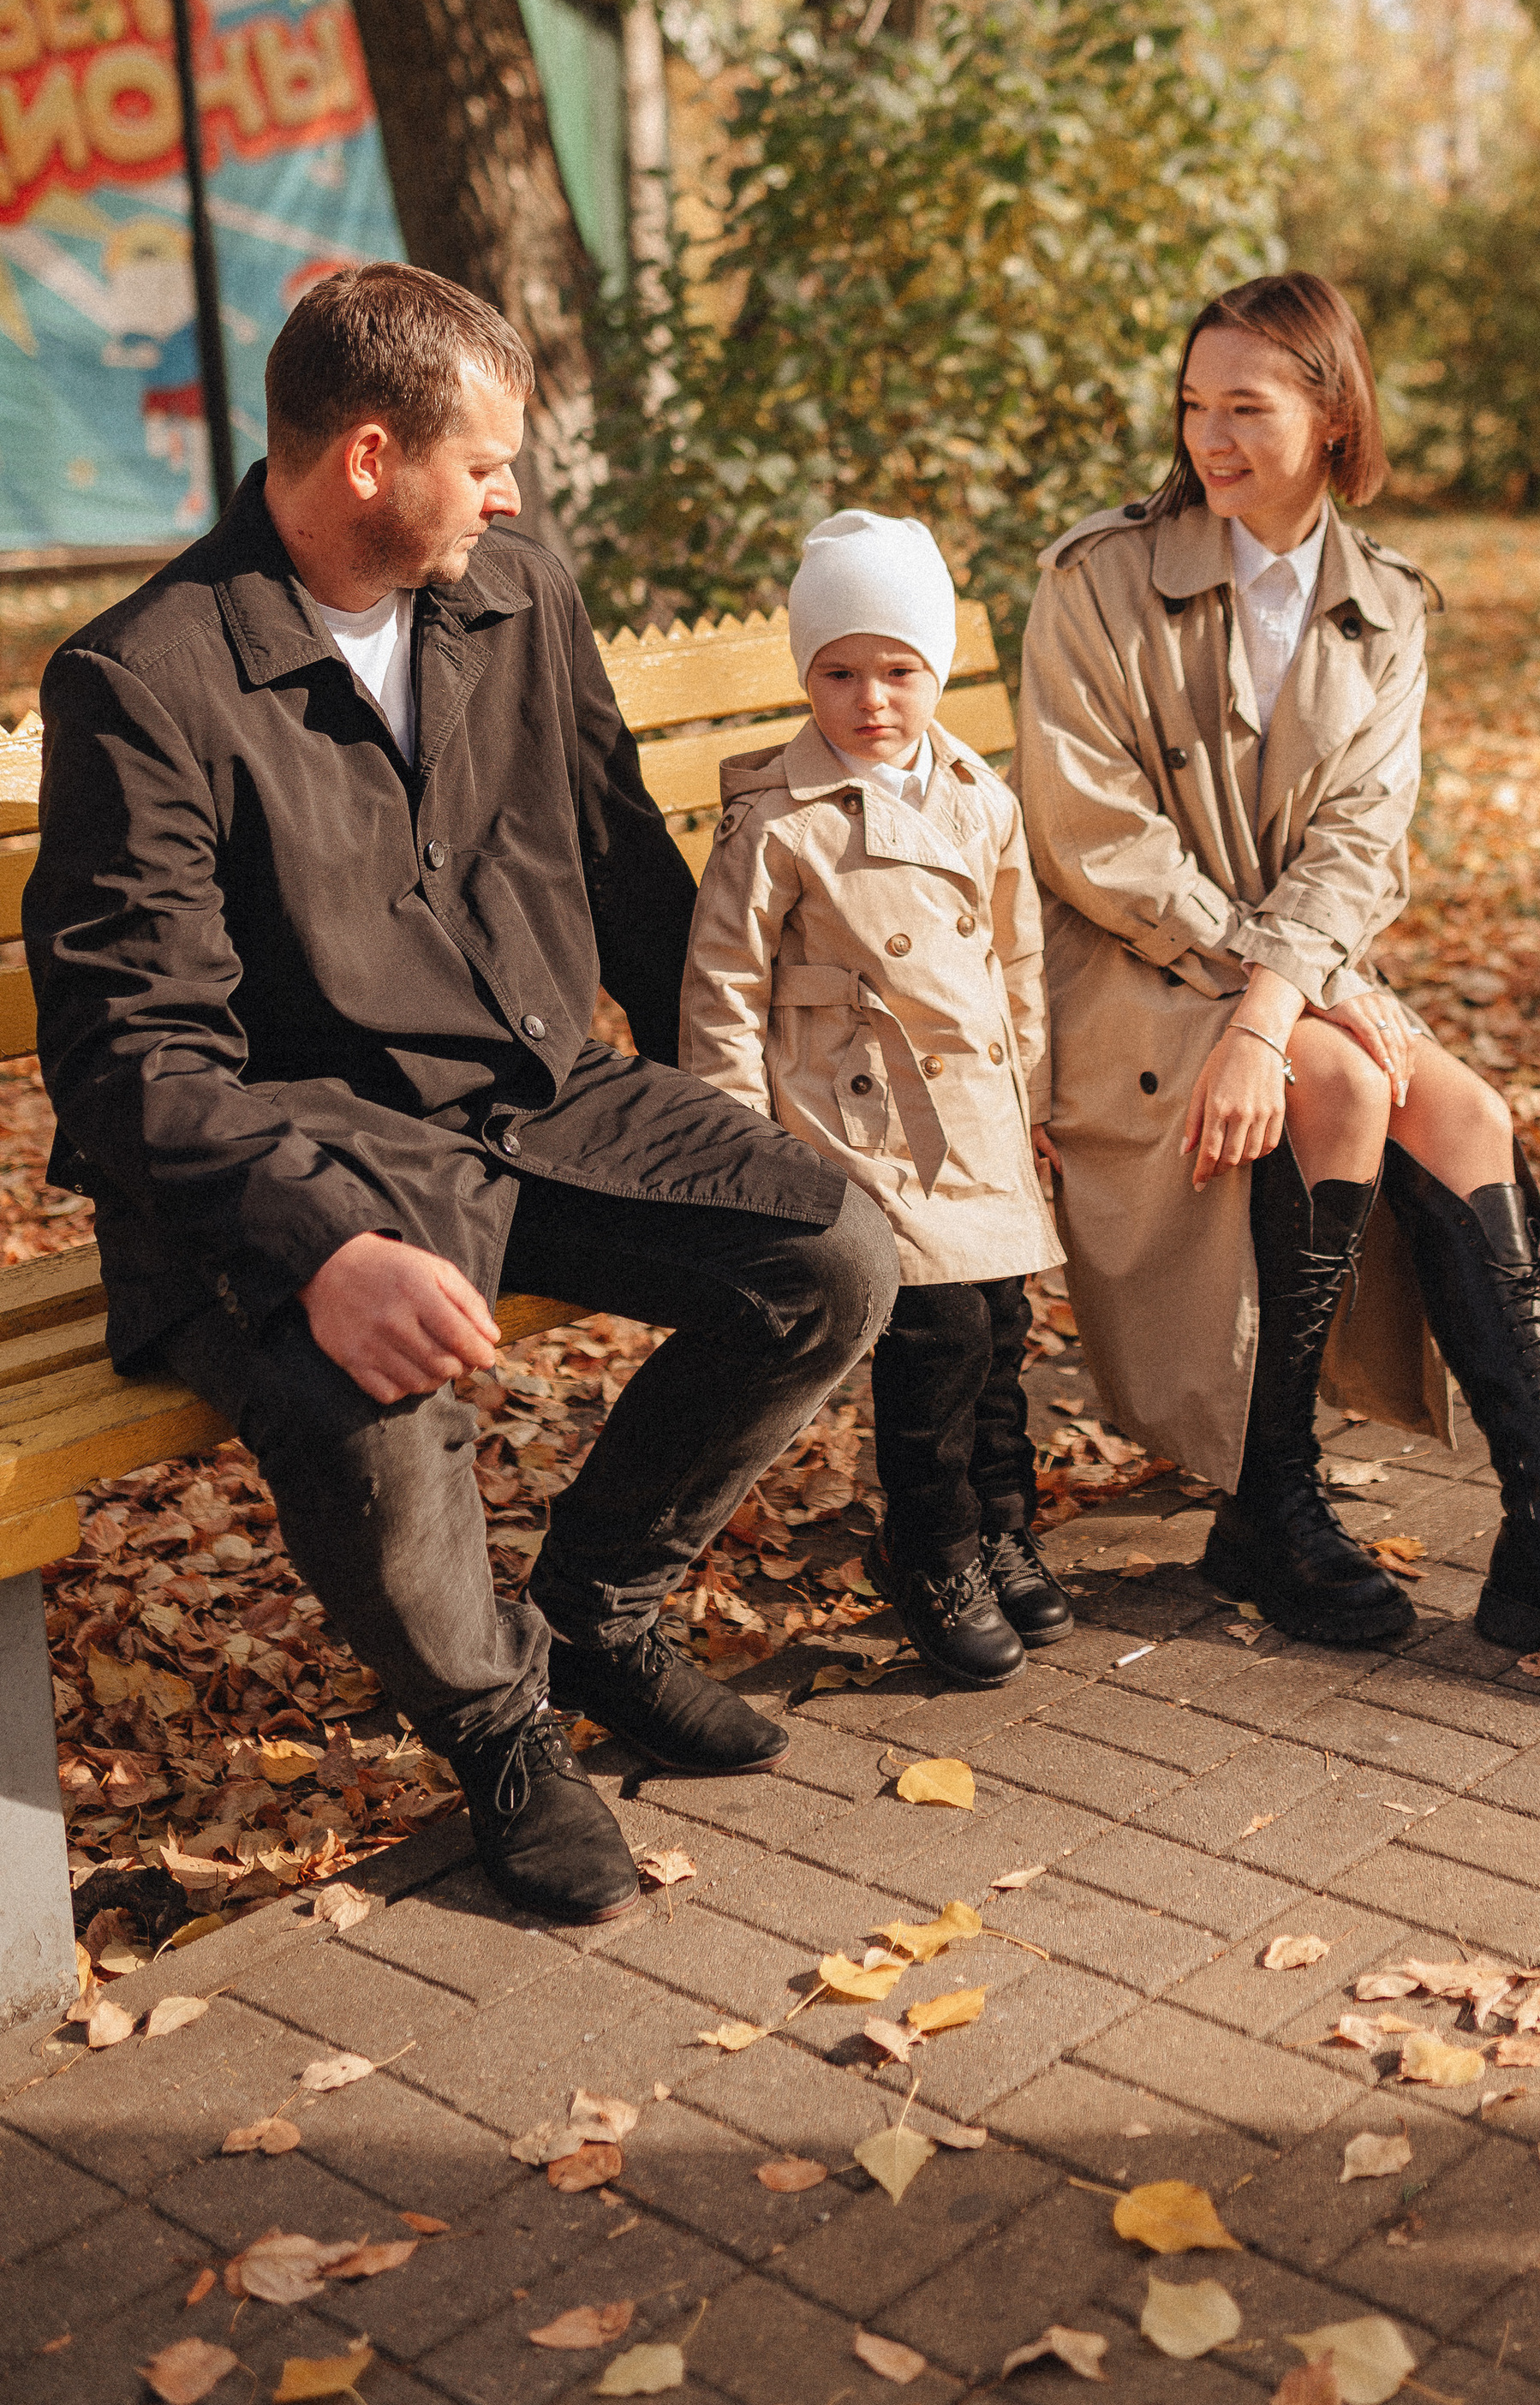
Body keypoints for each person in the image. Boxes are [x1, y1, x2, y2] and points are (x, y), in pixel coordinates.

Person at [25, 265, 898, 1930]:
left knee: (827, 1253)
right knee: (369, 1406)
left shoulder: (517, 589)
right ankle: (503, 1733)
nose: (507, 491)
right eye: (484, 457)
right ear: (368, 456)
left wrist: (728, 1092)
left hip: (534, 1089)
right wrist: (319, 1245)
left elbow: (618, 845)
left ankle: (600, 1611)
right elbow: (134, 1056)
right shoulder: (144, 679)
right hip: (296, 1147)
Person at [1015, 271, 1540, 1688]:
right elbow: (1094, 838)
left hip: (1287, 972)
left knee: (1471, 1116)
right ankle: (1270, 1500)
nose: (1212, 438)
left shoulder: (1386, 604)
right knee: (1336, 1077)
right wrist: (1273, 995)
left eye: (1248, 408)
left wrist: (1274, 997)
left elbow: (1363, 838)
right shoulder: (1096, 577)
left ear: (1334, 417)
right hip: (1128, 969)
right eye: (1195, 406)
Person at [681, 510, 1071, 1691]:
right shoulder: (779, 818)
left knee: (999, 1324)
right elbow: (725, 982)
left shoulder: (976, 796)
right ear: (809, 676)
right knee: (936, 1334)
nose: (871, 700)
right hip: (861, 1114)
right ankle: (929, 1539)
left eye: (899, 669)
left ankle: (1000, 1520)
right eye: (839, 672)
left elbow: (1017, 961)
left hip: (981, 1113)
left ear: (934, 670)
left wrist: (1035, 1099)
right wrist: (739, 1144)